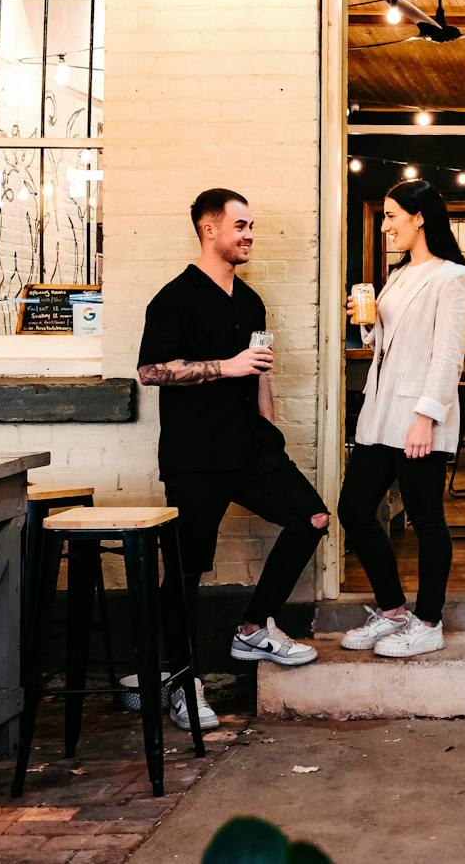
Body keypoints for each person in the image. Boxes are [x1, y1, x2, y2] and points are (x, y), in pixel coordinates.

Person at [137, 188, 328, 730]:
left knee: (311, 516)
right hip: (194, 456)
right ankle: (183, 681)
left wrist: (269, 430)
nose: (248, 235)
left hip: (249, 448)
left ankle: (251, 628)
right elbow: (152, 371)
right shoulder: (173, 298)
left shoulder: (249, 301)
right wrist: (226, 367)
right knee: (186, 571)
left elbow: (260, 369)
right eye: (240, 225)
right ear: (208, 228)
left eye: (251, 227)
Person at [338, 178, 465, 658]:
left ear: (420, 218)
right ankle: (394, 610)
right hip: (381, 414)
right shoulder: (398, 275)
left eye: (391, 216)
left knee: (426, 520)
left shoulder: (454, 279)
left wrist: (426, 417)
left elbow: (446, 357)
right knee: (354, 509)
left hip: (419, 417)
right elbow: (390, 346)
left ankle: (428, 621)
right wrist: (369, 322)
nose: (384, 227)